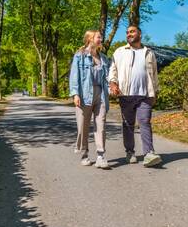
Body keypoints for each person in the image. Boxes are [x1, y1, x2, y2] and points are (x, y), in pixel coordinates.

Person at [108, 25, 162, 167]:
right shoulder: (119, 52)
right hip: (126, 94)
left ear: (139, 34)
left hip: (145, 95)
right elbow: (112, 71)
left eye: (132, 32)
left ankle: (149, 153)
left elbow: (154, 74)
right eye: (127, 32)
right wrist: (113, 84)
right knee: (128, 124)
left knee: (145, 122)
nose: (128, 34)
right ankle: (130, 152)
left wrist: (155, 92)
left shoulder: (148, 52)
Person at [69, 30, 110, 169]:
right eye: (99, 37)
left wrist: (113, 87)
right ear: (90, 38)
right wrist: (75, 94)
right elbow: (74, 75)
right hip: (84, 94)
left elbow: (108, 78)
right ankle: (84, 153)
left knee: (101, 125)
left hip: (101, 94)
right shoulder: (80, 56)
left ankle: (100, 156)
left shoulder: (103, 58)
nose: (101, 38)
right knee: (82, 126)